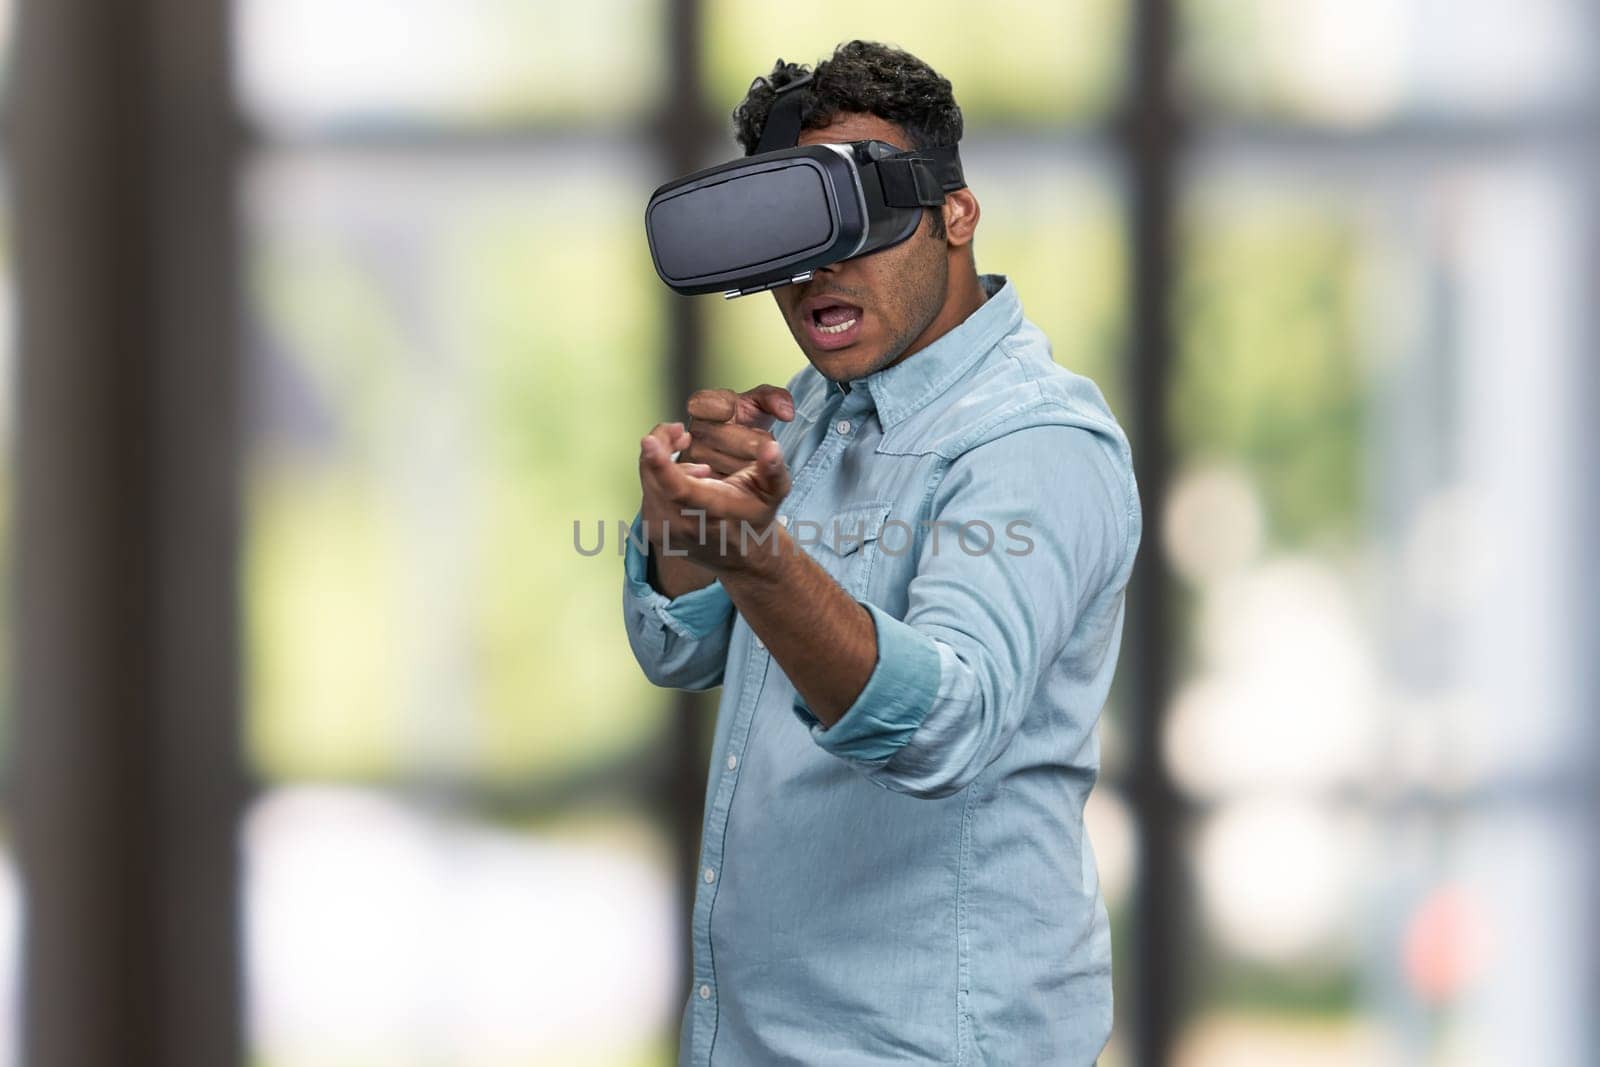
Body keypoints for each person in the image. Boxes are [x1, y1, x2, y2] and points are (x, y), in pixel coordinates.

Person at [622, 39, 1141, 1066]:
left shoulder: (1032, 443)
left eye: (849, 217)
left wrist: (762, 556)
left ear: (954, 212)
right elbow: (680, 652)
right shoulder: (812, 415)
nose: (818, 265)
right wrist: (692, 531)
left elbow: (944, 723)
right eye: (789, 228)